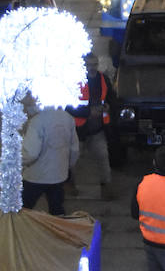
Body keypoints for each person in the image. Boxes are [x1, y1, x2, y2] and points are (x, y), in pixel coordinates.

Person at [21, 97, 80, 216]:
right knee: (57, 209)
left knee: (23, 209)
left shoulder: (37, 121)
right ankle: (57, 232)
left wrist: (19, 162)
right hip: (59, 175)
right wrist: (67, 166)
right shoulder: (68, 118)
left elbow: (31, 153)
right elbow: (74, 149)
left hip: (36, 176)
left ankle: (18, 231)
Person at [68, 52, 115, 200]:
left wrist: (108, 106)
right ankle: (69, 185)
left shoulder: (103, 79)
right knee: (72, 160)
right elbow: (68, 107)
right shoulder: (75, 82)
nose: (92, 68)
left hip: (97, 129)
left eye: (94, 64)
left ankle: (106, 186)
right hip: (78, 130)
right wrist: (89, 111)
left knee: (103, 156)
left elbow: (111, 98)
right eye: (89, 65)